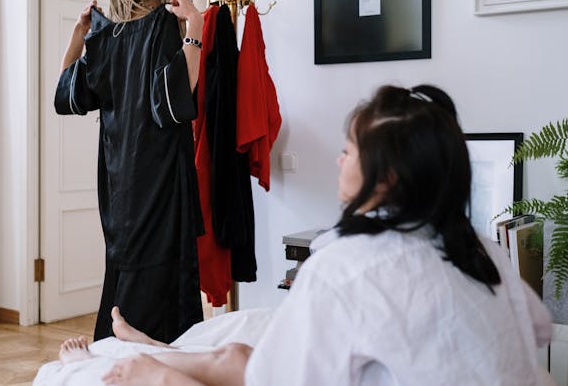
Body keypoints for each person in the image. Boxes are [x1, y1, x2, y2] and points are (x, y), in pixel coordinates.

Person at [54, 84, 553, 386]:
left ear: (388, 178)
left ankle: (153, 363)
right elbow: (538, 331)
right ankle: (151, 346)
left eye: (349, 151)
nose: (338, 159)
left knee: (240, 359)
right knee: (240, 351)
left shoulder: (348, 266)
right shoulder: (484, 251)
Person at [54, 0, 205, 343]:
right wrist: (194, 27)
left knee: (125, 284)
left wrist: (78, 35)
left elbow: (67, 94)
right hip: (158, 190)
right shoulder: (163, 28)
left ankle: (116, 359)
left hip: (118, 195)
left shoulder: (108, 38)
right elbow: (173, 102)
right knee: (160, 298)